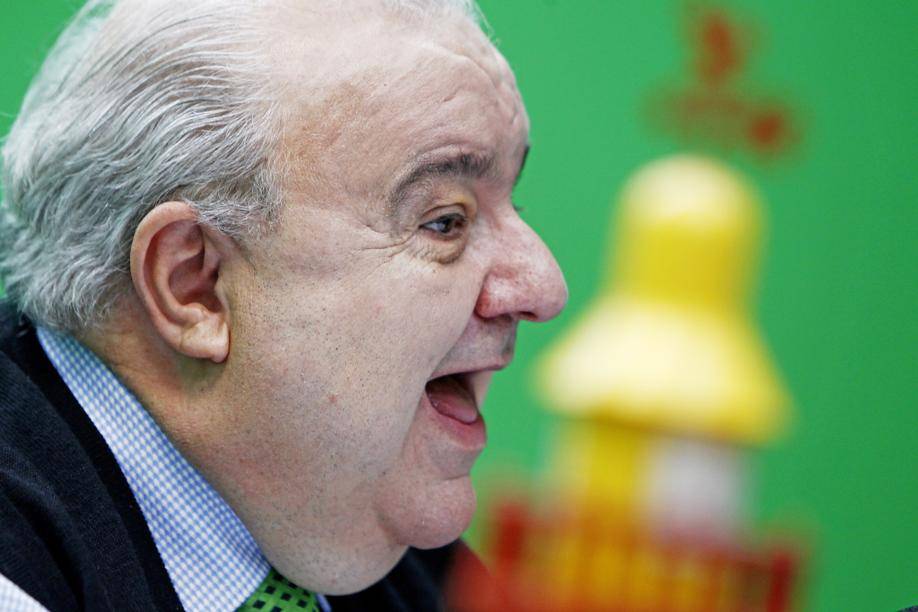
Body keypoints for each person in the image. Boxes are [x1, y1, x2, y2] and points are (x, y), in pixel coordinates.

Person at [0, 0, 567, 610]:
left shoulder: (400, 555)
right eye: (444, 221)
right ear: (194, 285)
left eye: (513, 203)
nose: (544, 285)